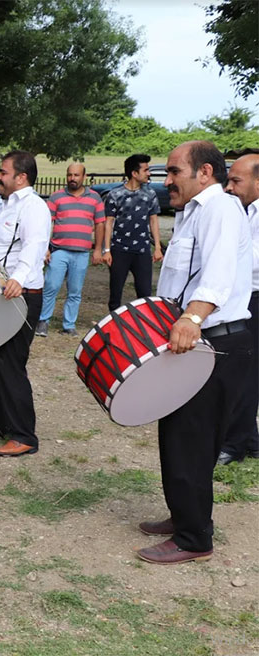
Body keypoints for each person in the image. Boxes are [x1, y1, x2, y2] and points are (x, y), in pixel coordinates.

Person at [136, 141, 252, 565]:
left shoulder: (220, 209)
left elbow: (218, 273)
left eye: (173, 172)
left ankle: (194, 538)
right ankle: (183, 515)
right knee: (178, 434)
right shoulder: (193, 212)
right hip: (193, 339)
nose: (166, 181)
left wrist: (192, 317)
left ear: (204, 172)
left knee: (194, 438)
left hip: (213, 339)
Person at [0, 150, 51, 457]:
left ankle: (24, 435)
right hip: (0, 292)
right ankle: (0, 423)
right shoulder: (5, 204)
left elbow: (34, 246)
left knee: (11, 364)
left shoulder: (34, 207)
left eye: (3, 172)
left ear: (21, 177)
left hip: (22, 294)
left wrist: (19, 278)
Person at [217, 153, 259, 465]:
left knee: (245, 374)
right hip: (247, 296)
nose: (229, 187)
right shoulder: (245, 210)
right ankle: (251, 440)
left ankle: (234, 444)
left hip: (255, 298)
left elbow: (250, 262)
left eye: (236, 180)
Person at [35, 164, 105, 337]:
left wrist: (98, 249)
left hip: (82, 252)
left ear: (84, 176)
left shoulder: (95, 198)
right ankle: (43, 321)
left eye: (76, 175)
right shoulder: (56, 196)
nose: (72, 178)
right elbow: (46, 223)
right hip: (59, 250)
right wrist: (46, 248)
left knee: (75, 291)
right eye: (69, 175)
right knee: (51, 286)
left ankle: (69, 324)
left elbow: (100, 224)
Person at [101, 154, 163, 310]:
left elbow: (154, 221)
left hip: (142, 250)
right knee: (115, 293)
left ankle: (143, 322)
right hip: (119, 249)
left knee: (145, 293)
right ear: (134, 173)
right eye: (145, 170)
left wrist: (157, 248)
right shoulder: (115, 194)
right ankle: (114, 322)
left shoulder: (150, 194)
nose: (149, 173)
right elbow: (109, 222)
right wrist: (106, 250)